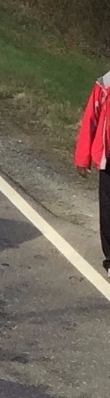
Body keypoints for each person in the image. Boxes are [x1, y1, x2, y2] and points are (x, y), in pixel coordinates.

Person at [76, 67, 110, 277]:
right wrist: (83, 158)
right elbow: (92, 119)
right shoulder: (105, 83)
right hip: (109, 159)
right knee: (108, 210)